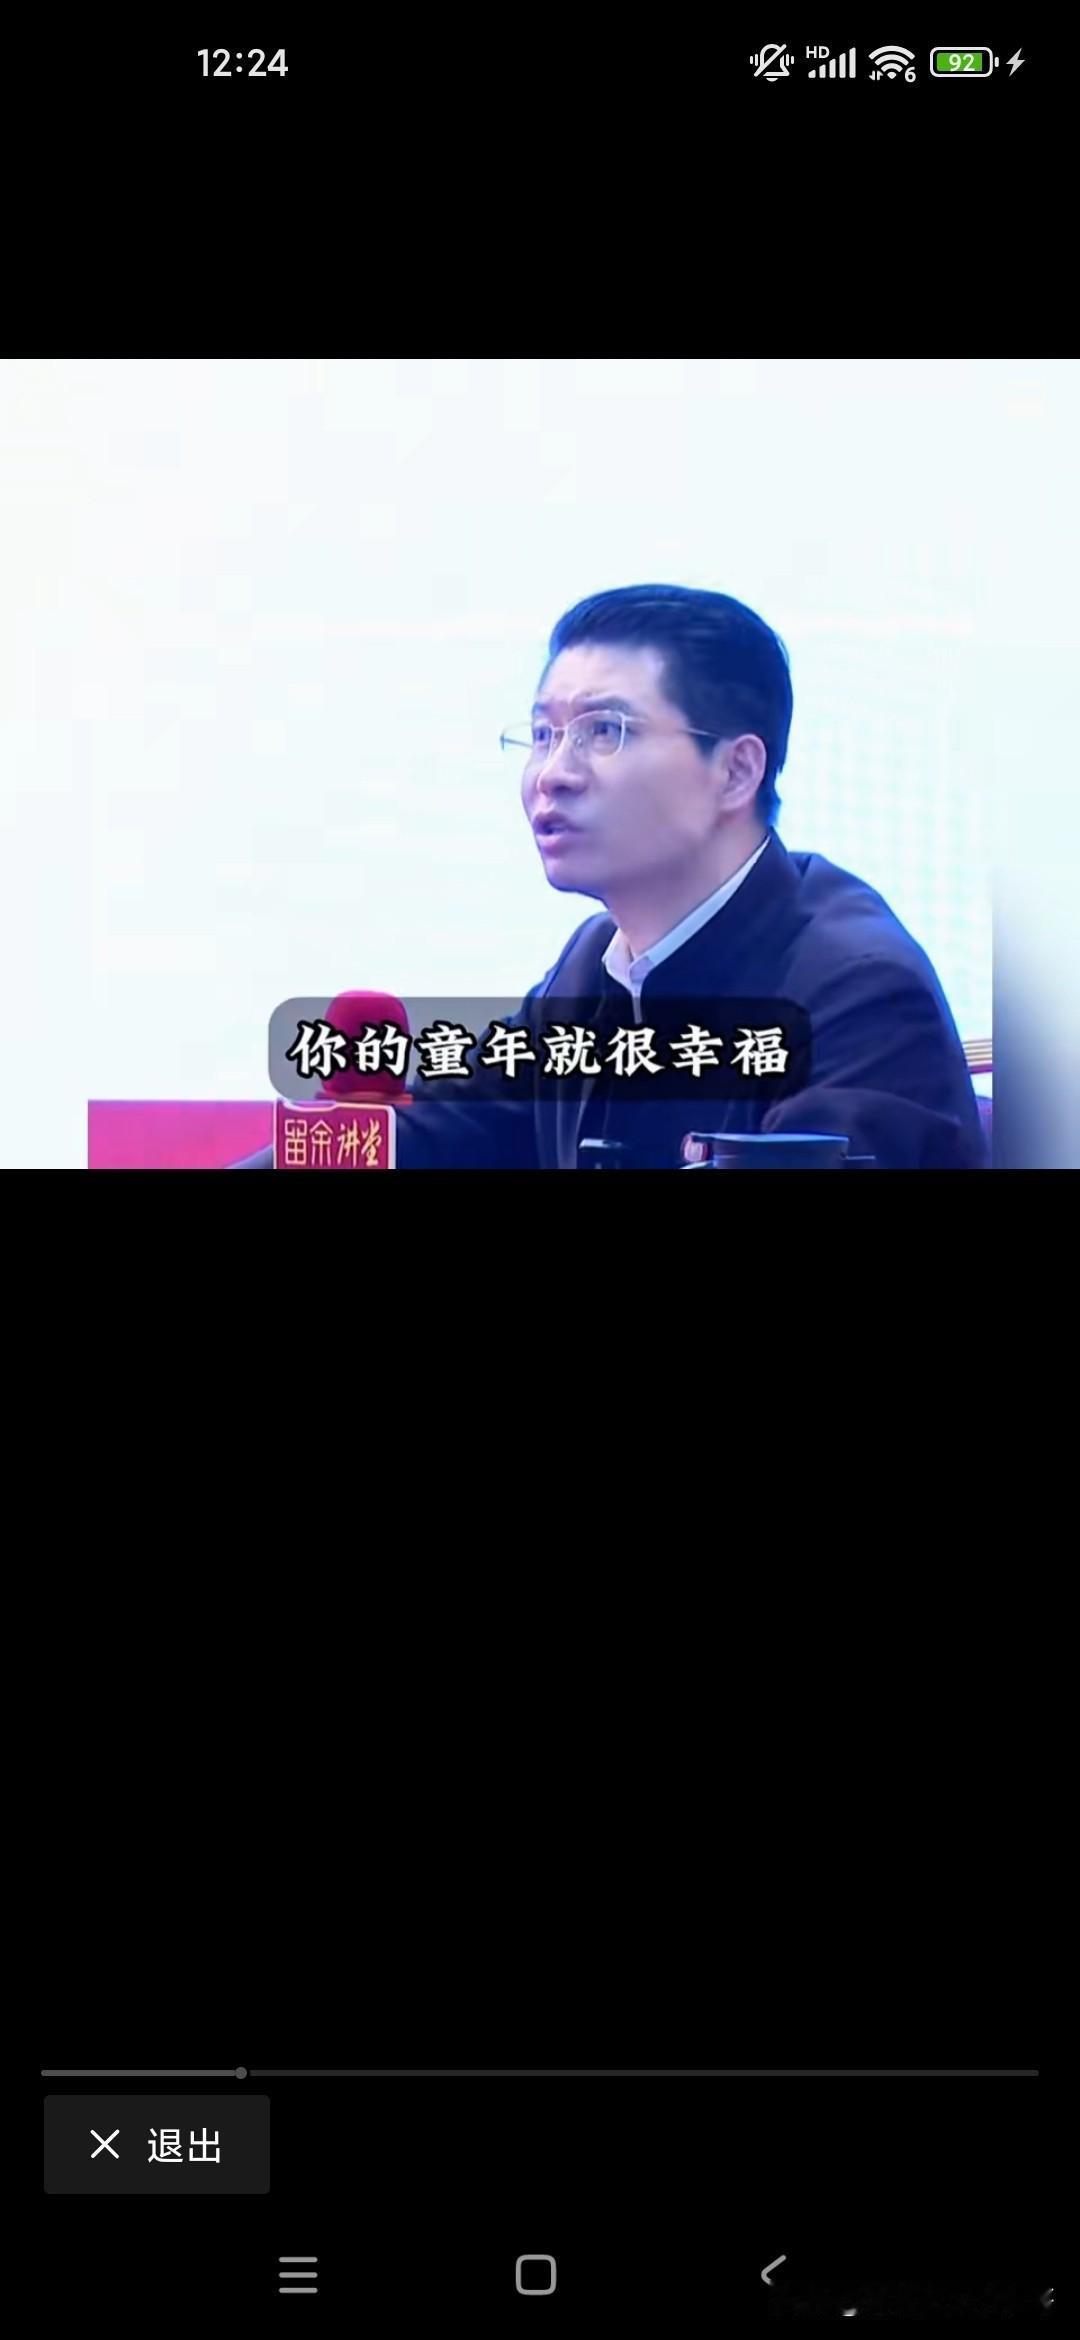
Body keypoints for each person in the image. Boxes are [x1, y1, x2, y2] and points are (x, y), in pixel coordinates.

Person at [232, 583, 987, 1170]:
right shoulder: (595, 966)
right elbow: (438, 1130)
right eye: (543, 734)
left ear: (736, 771)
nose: (553, 773)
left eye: (605, 731)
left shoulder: (859, 992)